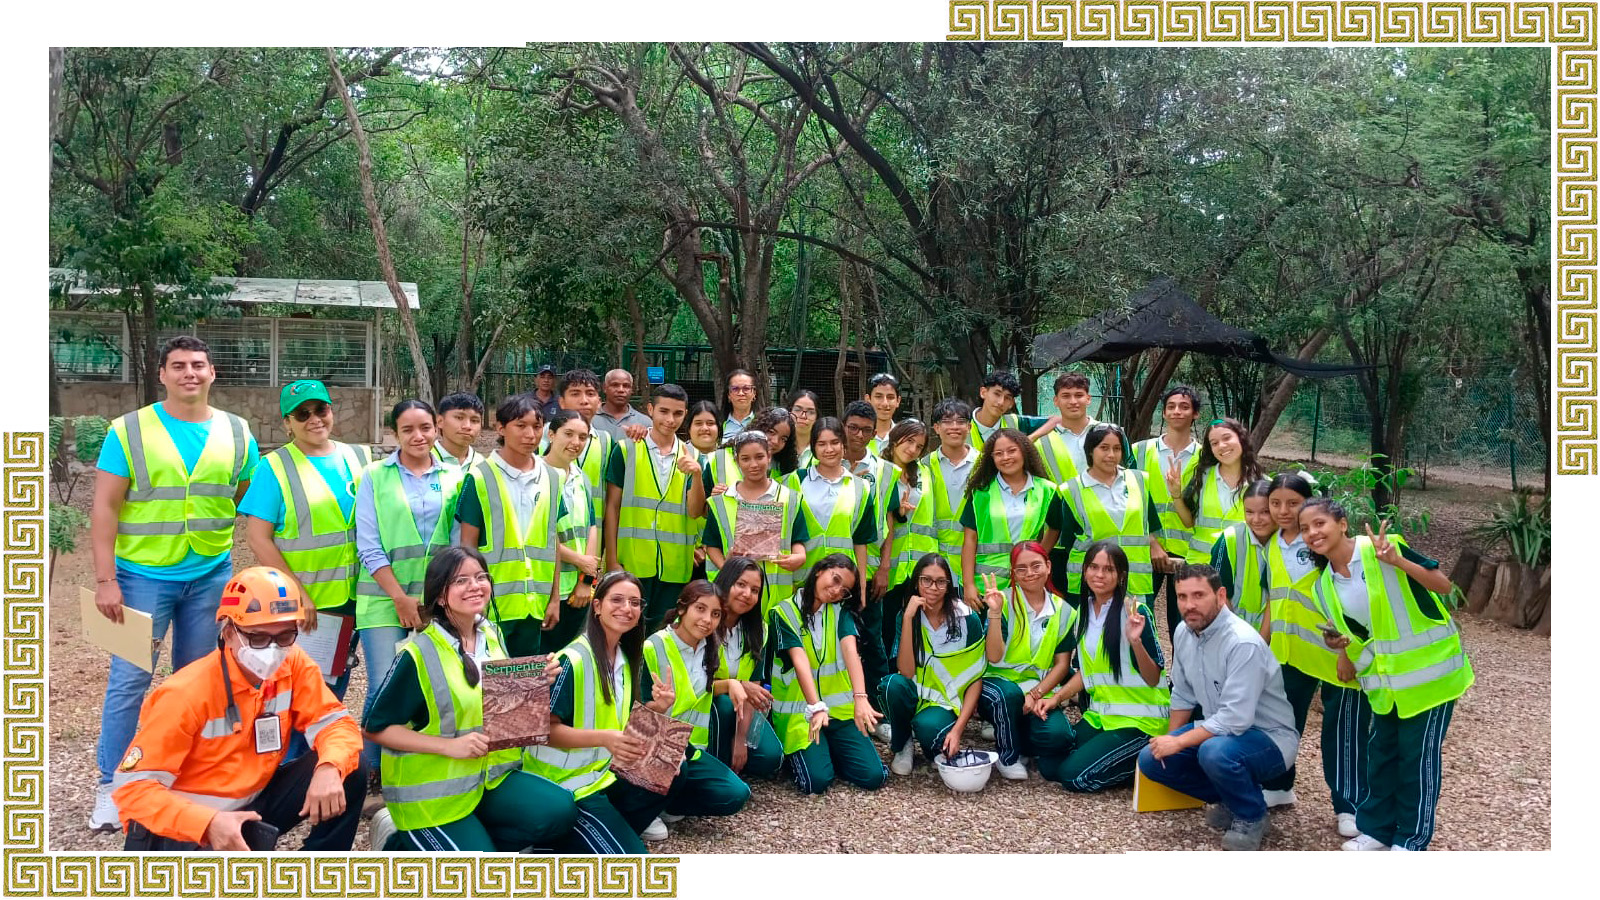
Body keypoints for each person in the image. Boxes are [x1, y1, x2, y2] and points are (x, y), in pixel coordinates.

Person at [88, 335, 261, 832]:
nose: (190, 373)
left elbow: (243, 490)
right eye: (179, 365)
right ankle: (112, 787)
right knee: (129, 681)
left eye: (198, 365)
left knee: (198, 681)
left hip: (209, 574)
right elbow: (105, 506)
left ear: (212, 373)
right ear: (162, 374)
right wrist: (105, 579)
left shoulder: (237, 430)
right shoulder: (128, 430)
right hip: (140, 576)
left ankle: (184, 777)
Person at [114, 567, 364, 852]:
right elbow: (132, 790)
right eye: (258, 638)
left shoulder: (292, 663)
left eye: (285, 636)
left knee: (348, 768)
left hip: (253, 802)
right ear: (229, 632)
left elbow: (335, 723)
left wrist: (330, 767)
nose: (272, 650)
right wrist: (207, 823)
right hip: (187, 829)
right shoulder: (185, 693)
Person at [363, 548, 578, 852]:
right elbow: (374, 728)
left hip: (487, 779)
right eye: (461, 580)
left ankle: (467, 840)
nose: (475, 586)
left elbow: (497, 708)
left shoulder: (491, 634)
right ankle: (400, 841)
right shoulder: (419, 653)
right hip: (433, 798)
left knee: (559, 812)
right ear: (440, 596)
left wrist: (534, 680)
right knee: (478, 873)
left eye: (480, 577)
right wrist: (449, 746)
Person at [1302, 500, 1472, 852]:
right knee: (1381, 757)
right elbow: (1357, 632)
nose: (1312, 533)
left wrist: (1398, 561)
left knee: (1416, 760)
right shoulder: (1322, 586)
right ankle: (1377, 831)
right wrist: (1338, 646)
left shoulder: (1383, 547)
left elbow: (1443, 586)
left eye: (1319, 523)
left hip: (1431, 679)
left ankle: (1411, 839)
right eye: (1305, 529)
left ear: (1342, 524)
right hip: (1385, 687)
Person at [1137, 564, 1300, 852]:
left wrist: (1179, 743)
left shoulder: (1242, 643)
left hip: (1269, 739)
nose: (1189, 605)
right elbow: (1183, 694)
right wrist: (1170, 741)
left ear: (1220, 595)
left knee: (1214, 753)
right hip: (1221, 732)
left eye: (1199, 595)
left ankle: (1251, 816)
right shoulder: (1184, 632)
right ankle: (1235, 797)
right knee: (1151, 760)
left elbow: (1235, 719)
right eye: (1182, 597)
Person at [522, 571, 674, 854]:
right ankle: (553, 838)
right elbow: (542, 730)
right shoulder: (573, 660)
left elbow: (617, 722)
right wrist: (605, 738)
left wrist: (658, 709)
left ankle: (595, 833)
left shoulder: (623, 657)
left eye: (635, 603)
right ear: (597, 606)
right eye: (617, 600)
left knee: (671, 762)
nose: (627, 608)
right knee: (633, 863)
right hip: (564, 785)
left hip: (600, 775)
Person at [242, 380, 372, 706]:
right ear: (288, 423)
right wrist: (297, 593)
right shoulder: (274, 467)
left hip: (356, 595)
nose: (314, 419)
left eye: (321, 410)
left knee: (333, 685)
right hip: (309, 602)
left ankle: (320, 741)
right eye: (302, 414)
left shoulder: (358, 457)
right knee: (298, 690)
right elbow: (258, 537)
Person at [354, 398, 464, 774]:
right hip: (384, 599)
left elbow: (456, 545)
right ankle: (371, 771)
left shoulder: (455, 476)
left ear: (436, 427)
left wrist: (437, 600)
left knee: (429, 684)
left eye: (425, 428)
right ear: (394, 433)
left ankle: (410, 766)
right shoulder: (374, 476)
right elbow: (368, 545)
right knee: (384, 685)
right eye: (407, 430)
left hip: (436, 602)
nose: (418, 436)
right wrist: (400, 598)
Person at [1255, 474, 1366, 827]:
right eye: (1275, 503)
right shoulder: (1272, 545)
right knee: (1282, 723)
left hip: (1334, 654)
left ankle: (1349, 806)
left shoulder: (1320, 544)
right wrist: (1261, 644)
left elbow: (1347, 601)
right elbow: (1274, 599)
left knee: (1342, 731)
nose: (1283, 511)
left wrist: (1347, 653)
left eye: (1293, 503)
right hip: (1289, 653)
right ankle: (1278, 785)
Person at [1038, 542, 1166, 792]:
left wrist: (1136, 642)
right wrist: (1057, 698)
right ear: (1085, 571)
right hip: (1101, 717)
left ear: (1121, 576)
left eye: (1108, 569)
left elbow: (1153, 678)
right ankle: (1116, 760)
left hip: (1139, 722)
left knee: (1073, 777)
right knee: (1049, 766)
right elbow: (1089, 673)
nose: (1099, 575)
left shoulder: (1135, 612)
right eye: (1094, 567)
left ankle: (1145, 763)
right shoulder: (1084, 613)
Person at [640, 581, 754, 840]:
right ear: (682, 609)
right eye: (700, 609)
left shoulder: (709, 646)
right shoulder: (653, 646)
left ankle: (670, 802)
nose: (707, 620)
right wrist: (657, 707)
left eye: (715, 614)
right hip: (653, 745)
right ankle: (645, 808)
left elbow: (699, 690)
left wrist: (732, 684)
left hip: (690, 747)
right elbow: (634, 710)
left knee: (735, 794)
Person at [768, 555, 887, 795]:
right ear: (819, 570)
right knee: (816, 782)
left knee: (873, 777)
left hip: (840, 712)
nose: (836, 591)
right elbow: (799, 661)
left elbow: (850, 650)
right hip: (801, 713)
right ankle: (819, 754)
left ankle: (831, 750)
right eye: (835, 579)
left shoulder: (840, 611)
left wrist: (861, 698)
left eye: (844, 591)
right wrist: (816, 707)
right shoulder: (783, 612)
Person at [457, 393, 565, 657]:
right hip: (492, 605)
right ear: (501, 428)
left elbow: (553, 541)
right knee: (489, 677)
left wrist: (554, 598)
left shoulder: (553, 478)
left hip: (535, 604)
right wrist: (471, 601)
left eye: (537, 426)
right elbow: (467, 546)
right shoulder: (479, 477)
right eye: (521, 425)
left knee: (528, 677)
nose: (530, 434)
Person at [604, 384, 708, 626]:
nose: (670, 420)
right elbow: (612, 507)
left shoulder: (693, 457)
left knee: (662, 632)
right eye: (664, 411)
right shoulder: (626, 450)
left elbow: (695, 512)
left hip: (675, 566)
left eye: (678, 413)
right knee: (626, 630)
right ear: (650, 410)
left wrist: (697, 475)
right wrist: (612, 560)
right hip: (632, 562)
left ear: (685, 414)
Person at [975, 541, 1079, 782]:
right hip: (997, 685)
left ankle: (1018, 735)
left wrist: (1035, 694)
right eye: (1021, 569)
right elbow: (994, 656)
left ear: (1048, 566)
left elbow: (1062, 664)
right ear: (1013, 573)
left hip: (1037, 688)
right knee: (1009, 696)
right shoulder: (1002, 601)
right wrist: (994, 613)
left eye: (1036, 566)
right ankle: (1007, 755)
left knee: (1060, 737)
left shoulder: (1064, 610)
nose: (1029, 573)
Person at [881, 553, 986, 776]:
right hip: (916, 693)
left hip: (947, 702)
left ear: (949, 586)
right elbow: (906, 671)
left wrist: (958, 730)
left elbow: (975, 678)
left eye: (940, 582)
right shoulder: (907, 615)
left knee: (929, 733)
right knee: (892, 685)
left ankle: (930, 733)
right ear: (916, 583)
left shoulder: (967, 618)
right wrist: (908, 619)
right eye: (926, 580)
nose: (933, 587)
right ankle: (903, 744)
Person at [1054, 423, 1170, 602]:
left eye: (1117, 448)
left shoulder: (1139, 480)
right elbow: (1066, 543)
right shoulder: (1070, 490)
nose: (1111, 455)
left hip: (1135, 580)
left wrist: (1154, 544)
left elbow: (1149, 523)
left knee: (1138, 620)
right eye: (1104, 448)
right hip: (1091, 583)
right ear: (1090, 451)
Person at [702, 430, 809, 617]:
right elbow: (711, 544)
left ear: (769, 456)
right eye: (745, 459)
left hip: (776, 597)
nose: (753, 465)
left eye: (759, 457)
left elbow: (798, 539)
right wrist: (727, 568)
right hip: (734, 596)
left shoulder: (790, 498)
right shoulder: (720, 501)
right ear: (737, 461)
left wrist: (799, 557)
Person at [958, 427, 1065, 603]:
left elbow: (1055, 527)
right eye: (999, 453)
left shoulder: (1047, 490)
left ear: (1024, 451)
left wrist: (1037, 558)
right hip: (986, 584)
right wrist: (969, 585)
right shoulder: (980, 493)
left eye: (1012, 451)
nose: (1006, 457)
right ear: (992, 458)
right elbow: (970, 539)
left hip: (1027, 582)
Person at [1131, 385, 1202, 647]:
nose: (1176, 411)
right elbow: (1129, 500)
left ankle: (1182, 673)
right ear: (1163, 412)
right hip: (1144, 549)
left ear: (1195, 414)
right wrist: (1152, 542)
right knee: (1138, 617)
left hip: (1188, 551)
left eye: (1184, 406)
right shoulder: (1139, 451)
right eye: (1171, 406)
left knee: (1184, 624)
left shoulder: (1205, 457)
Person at [707, 557, 784, 780]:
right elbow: (693, 684)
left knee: (771, 758)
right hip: (704, 705)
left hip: (740, 707)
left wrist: (740, 740)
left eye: (755, 590)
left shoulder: (759, 630)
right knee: (723, 705)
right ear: (726, 582)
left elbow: (754, 689)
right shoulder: (704, 621)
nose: (747, 594)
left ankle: (727, 753)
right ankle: (716, 763)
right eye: (740, 584)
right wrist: (737, 685)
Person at [785, 417, 876, 586]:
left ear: (843, 445)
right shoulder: (795, 480)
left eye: (835, 442)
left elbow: (860, 541)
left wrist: (862, 588)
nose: (829, 449)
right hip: (802, 581)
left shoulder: (861, 487)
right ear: (813, 447)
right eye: (821, 444)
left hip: (842, 583)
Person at [543, 409, 602, 655]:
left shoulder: (581, 478)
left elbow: (591, 526)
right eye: (568, 434)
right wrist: (580, 561)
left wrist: (586, 580)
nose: (576, 442)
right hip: (545, 588)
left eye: (582, 437)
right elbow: (540, 536)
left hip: (577, 591)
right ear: (551, 434)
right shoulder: (537, 476)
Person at [1171, 416, 1264, 566]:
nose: (1222, 445)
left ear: (1241, 439)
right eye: (1214, 443)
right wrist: (1176, 494)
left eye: (1227, 438)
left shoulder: (1261, 484)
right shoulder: (1201, 478)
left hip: (1241, 567)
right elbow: (1188, 523)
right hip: (1200, 566)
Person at [873, 419, 932, 615]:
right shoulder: (878, 470)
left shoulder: (925, 472)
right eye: (909, 441)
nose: (913, 449)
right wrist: (884, 566)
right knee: (888, 623)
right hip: (887, 564)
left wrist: (901, 515)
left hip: (920, 564)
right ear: (896, 437)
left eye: (919, 446)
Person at [1210, 480, 1276, 636]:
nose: (1256, 519)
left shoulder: (1286, 543)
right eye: (1249, 512)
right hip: (1236, 633)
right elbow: (1218, 591)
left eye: (1265, 512)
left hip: (1278, 637)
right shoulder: (1230, 539)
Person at [924, 399, 976, 585]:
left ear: (969, 427)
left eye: (961, 421)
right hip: (935, 563)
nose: (954, 427)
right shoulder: (924, 465)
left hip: (975, 563)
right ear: (936, 428)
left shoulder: (984, 464)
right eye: (947, 421)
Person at [1033, 372, 1098, 485]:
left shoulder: (1108, 432)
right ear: (1056, 401)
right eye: (1066, 396)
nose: (1073, 402)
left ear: (1088, 399)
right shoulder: (1043, 442)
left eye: (1079, 395)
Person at [684, 400, 723, 581]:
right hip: (685, 552)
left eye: (710, 423)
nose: (705, 428)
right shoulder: (677, 454)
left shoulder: (730, 458)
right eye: (698, 423)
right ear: (689, 428)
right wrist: (687, 547)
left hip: (719, 551)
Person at [968, 370, 1052, 451]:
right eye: (997, 394)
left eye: (1007, 398)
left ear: (1011, 403)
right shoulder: (963, 423)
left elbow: (1054, 420)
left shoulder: (1015, 422)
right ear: (983, 392)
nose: (1001, 402)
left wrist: (1029, 440)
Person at [592, 368, 652, 441]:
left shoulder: (645, 422)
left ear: (632, 389)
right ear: (605, 387)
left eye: (626, 386)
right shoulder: (590, 419)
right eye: (615, 385)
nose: (621, 390)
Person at [433, 391, 486, 474]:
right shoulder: (422, 460)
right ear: (440, 421)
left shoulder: (483, 465)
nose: (467, 426)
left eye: (474, 420)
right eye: (459, 418)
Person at [838, 400, 881, 479]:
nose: (859, 435)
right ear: (842, 428)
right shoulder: (824, 462)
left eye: (867, 430)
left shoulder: (883, 470)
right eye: (853, 428)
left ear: (873, 434)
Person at [863, 372, 901, 456]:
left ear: (898, 401)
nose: (885, 403)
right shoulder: (857, 436)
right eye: (878, 397)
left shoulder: (904, 437)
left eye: (890, 397)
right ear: (868, 399)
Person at [788, 389, 820, 469]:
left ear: (817, 417)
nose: (803, 416)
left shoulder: (823, 447)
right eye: (797, 410)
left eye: (810, 412)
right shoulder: (779, 445)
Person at [721, 368, 758, 434]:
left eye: (746, 388)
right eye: (735, 389)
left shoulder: (764, 424)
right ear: (728, 395)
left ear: (754, 393)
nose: (741, 393)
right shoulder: (717, 425)